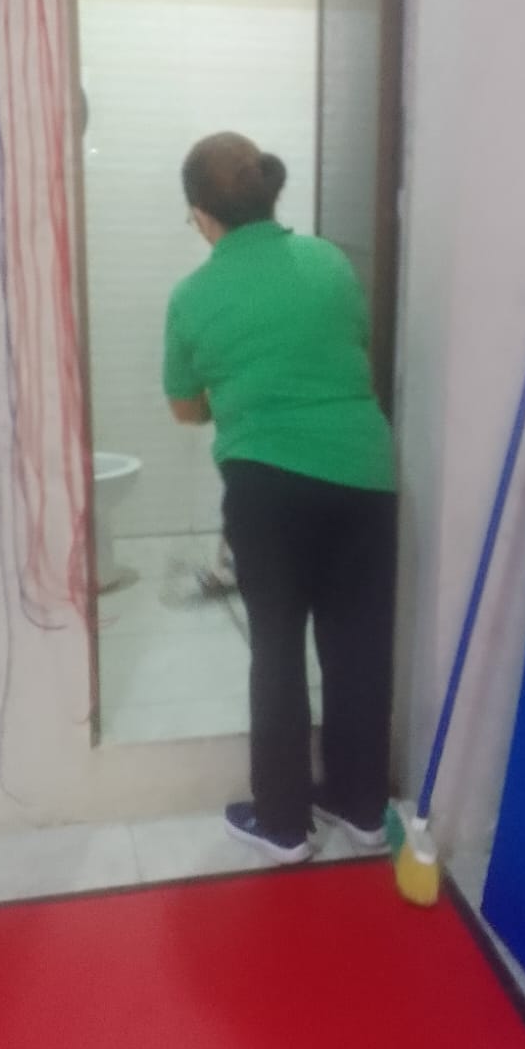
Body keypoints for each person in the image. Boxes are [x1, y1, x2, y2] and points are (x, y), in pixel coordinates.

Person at [163, 132, 397, 865]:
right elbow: (350, 347)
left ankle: (284, 825)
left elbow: (185, 408)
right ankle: (362, 807)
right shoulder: (329, 262)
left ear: (202, 215)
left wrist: (235, 394)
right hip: (364, 475)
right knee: (358, 647)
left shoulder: (193, 295)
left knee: (276, 650)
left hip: (267, 487)